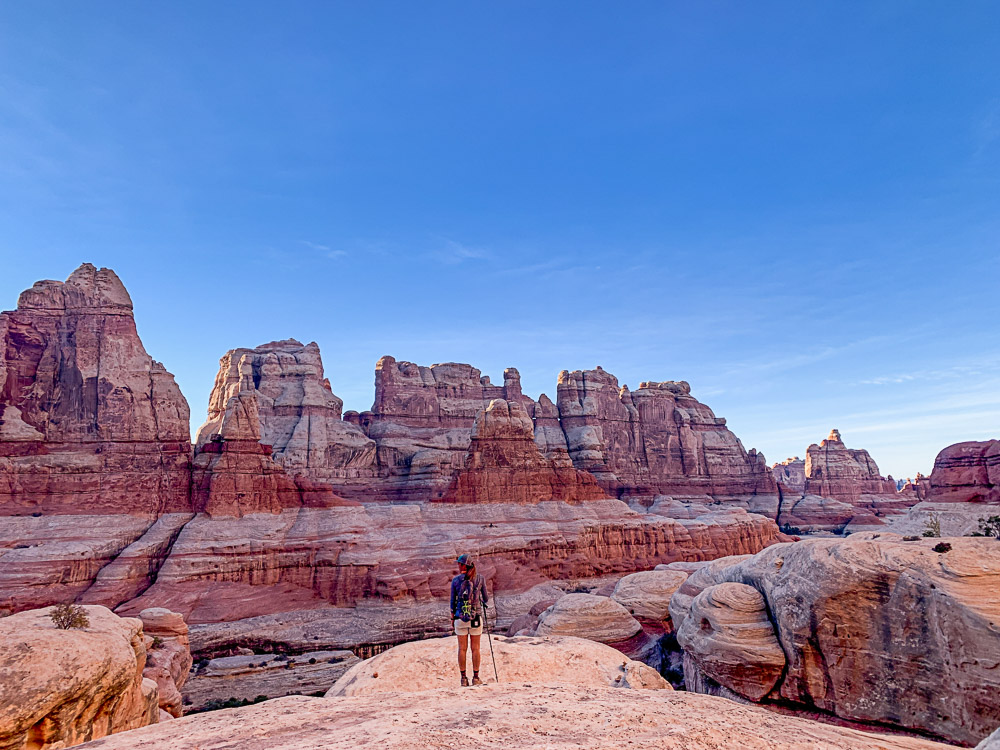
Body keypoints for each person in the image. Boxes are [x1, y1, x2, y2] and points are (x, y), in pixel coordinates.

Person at [450, 553, 489, 686]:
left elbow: (452, 602)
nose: (458, 565)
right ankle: (476, 677)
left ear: (463, 565)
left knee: (462, 649)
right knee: (475, 648)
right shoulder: (480, 579)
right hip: (475, 618)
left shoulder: (455, 581)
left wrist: (452, 617)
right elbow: (486, 598)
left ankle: (463, 679)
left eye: (459, 563)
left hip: (460, 618)